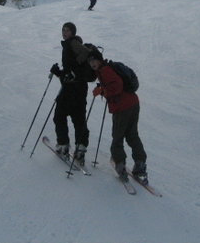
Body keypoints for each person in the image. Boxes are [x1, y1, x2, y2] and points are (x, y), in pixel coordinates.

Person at [88, 50, 148, 183]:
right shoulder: (107, 69)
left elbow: (117, 86)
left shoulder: (105, 70)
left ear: (100, 59)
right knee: (132, 135)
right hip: (133, 103)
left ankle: (120, 165)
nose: (92, 63)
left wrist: (102, 90)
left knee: (118, 137)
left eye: (94, 60)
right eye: (90, 61)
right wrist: (104, 88)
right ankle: (140, 166)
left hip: (122, 108)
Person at [49, 22, 91, 164]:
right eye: (63, 29)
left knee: (59, 116)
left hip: (71, 90)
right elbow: (68, 73)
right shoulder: (69, 45)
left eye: (67, 30)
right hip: (78, 89)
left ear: (72, 32)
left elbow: (85, 53)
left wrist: (74, 70)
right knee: (78, 118)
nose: (64, 32)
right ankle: (80, 149)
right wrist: (59, 72)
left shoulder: (72, 43)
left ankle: (63, 146)